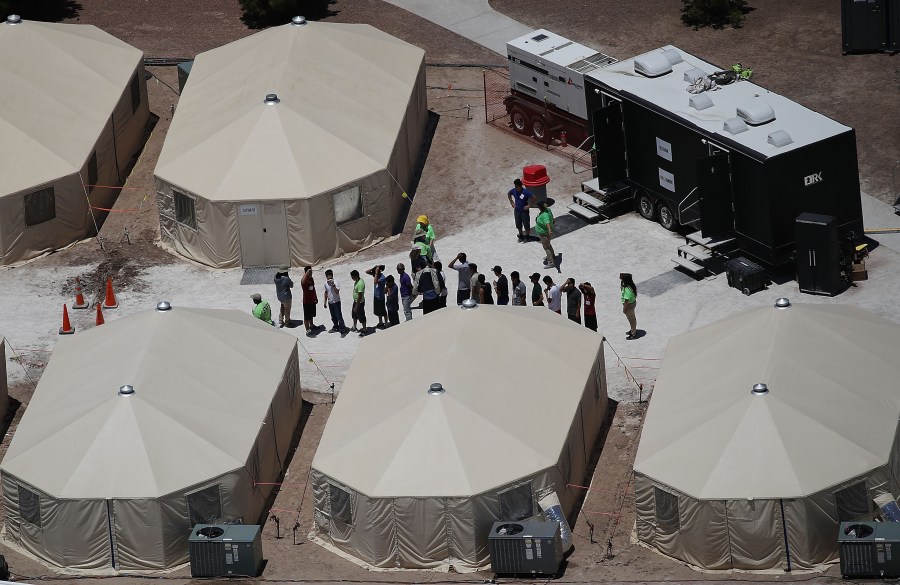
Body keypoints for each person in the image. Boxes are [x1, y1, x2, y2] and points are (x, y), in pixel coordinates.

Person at [507, 178, 536, 243]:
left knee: (526, 225)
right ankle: (521, 235)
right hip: (517, 211)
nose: (516, 188)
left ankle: (527, 236)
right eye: (515, 186)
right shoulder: (514, 190)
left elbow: (534, 197)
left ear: (520, 186)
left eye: (517, 187)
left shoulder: (525, 192)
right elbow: (509, 194)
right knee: (518, 224)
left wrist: (529, 205)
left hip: (524, 212)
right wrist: (511, 202)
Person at [322, 269, 346, 334]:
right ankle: (335, 327)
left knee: (339, 316)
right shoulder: (325, 283)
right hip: (330, 302)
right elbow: (326, 292)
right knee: (333, 316)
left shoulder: (336, 282)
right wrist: (325, 302)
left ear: (332, 275)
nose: (327, 277)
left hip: (336, 302)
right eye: (326, 276)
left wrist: (333, 285)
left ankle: (342, 329)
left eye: (328, 276)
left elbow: (337, 292)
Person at [535, 200, 556, 268]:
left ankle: (551, 262)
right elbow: (551, 217)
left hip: (544, 234)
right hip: (546, 233)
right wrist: (553, 220)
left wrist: (549, 230)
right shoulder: (548, 210)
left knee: (546, 247)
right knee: (548, 245)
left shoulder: (544, 215)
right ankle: (552, 256)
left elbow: (547, 223)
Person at [301, 266, 319, 337]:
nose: (311, 273)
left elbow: (313, 289)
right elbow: (302, 281)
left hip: (312, 300)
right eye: (309, 272)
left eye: (311, 271)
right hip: (306, 302)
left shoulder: (311, 279)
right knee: (306, 317)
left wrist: (316, 297)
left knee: (311, 315)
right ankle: (308, 331)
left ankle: (311, 325)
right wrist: (306, 273)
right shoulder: (304, 280)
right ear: (306, 272)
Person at [350, 269, 368, 336]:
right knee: (354, 315)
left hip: (359, 303)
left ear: (355, 276)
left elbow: (360, 296)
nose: (352, 278)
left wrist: (356, 306)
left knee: (361, 316)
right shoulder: (357, 281)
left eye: (352, 277)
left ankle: (364, 329)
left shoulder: (360, 283)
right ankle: (354, 327)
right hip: (355, 301)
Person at [621, 272, 638, 339]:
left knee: (631, 320)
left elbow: (626, 300)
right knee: (632, 318)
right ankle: (633, 330)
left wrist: (624, 308)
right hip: (632, 303)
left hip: (629, 306)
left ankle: (633, 333)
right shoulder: (631, 285)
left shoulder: (627, 289)